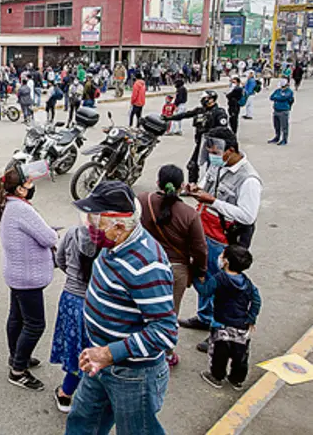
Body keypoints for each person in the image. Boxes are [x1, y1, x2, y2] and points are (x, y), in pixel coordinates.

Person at [64, 181, 177, 435]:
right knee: (82, 423)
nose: (89, 226)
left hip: (134, 375)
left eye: (96, 220)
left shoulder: (148, 266)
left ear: (118, 226)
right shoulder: (113, 244)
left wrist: (109, 353)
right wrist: (100, 352)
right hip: (100, 361)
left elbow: (165, 332)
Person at [179, 127, 261, 354]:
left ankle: (218, 331)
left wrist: (213, 201)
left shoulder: (249, 180)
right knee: (203, 275)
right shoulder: (217, 165)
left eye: (215, 151)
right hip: (204, 229)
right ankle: (204, 317)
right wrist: (194, 189)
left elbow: (247, 215)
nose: (212, 155)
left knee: (220, 285)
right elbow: (206, 185)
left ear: (231, 150)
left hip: (225, 238)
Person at [0, 163, 58, 390]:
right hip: (28, 279)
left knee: (17, 318)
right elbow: (49, 238)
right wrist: (53, 232)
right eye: (29, 183)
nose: (32, 186)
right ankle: (18, 370)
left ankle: (17, 356)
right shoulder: (22, 209)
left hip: (17, 274)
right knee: (36, 324)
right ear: (20, 189)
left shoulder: (9, 204)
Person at [138, 164, 207, 366]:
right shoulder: (189, 214)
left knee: (140, 307)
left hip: (144, 264)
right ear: (180, 187)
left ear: (158, 182)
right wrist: (199, 271)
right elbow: (200, 248)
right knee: (169, 313)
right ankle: (166, 353)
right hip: (176, 271)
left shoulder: (143, 200)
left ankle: (138, 347)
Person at [195, 245, 261, 390]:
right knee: (241, 355)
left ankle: (216, 377)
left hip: (221, 324)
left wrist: (195, 278)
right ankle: (236, 380)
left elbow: (205, 291)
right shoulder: (247, 282)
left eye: (222, 255)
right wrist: (251, 318)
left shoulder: (219, 279)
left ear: (226, 262)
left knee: (219, 353)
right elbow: (256, 300)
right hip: (242, 325)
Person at [50, 224, 97, 412]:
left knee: (75, 350)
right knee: (97, 349)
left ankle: (66, 394)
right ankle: (93, 395)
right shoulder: (112, 238)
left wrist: (73, 276)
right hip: (98, 301)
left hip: (71, 299)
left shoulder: (73, 233)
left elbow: (59, 259)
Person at [164, 90, 228, 183]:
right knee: (192, 165)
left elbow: (223, 129)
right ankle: (192, 185)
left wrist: (211, 134)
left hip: (213, 145)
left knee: (213, 168)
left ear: (211, 99)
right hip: (201, 143)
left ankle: (212, 187)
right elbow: (185, 115)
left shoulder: (219, 113)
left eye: (205, 98)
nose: (203, 100)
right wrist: (169, 118)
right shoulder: (200, 110)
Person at [268, 79, 294, 146]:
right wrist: (278, 97)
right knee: (276, 125)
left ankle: (284, 140)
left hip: (283, 110)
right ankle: (277, 137)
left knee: (284, 126)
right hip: (276, 110)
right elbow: (271, 97)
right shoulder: (278, 90)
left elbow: (284, 98)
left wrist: (278, 97)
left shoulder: (289, 91)